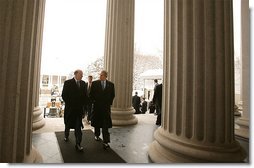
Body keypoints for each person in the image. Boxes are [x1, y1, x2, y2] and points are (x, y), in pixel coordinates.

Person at [61, 69, 88, 151]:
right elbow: (64, 95)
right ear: (76, 74)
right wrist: (70, 104)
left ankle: (78, 144)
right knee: (68, 124)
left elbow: (85, 97)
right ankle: (66, 135)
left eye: (82, 75)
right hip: (70, 109)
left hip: (79, 110)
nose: (82, 76)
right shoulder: (68, 83)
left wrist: (85, 108)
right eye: (81, 74)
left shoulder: (83, 83)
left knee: (78, 128)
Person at [89, 70, 115, 149]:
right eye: (100, 75)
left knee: (105, 125)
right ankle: (97, 135)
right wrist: (94, 102)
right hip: (97, 108)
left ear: (105, 76)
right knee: (97, 123)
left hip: (106, 108)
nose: (100, 76)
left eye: (101, 75)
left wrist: (109, 103)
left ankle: (106, 141)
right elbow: (91, 94)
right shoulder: (95, 83)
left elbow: (113, 95)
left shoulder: (111, 85)